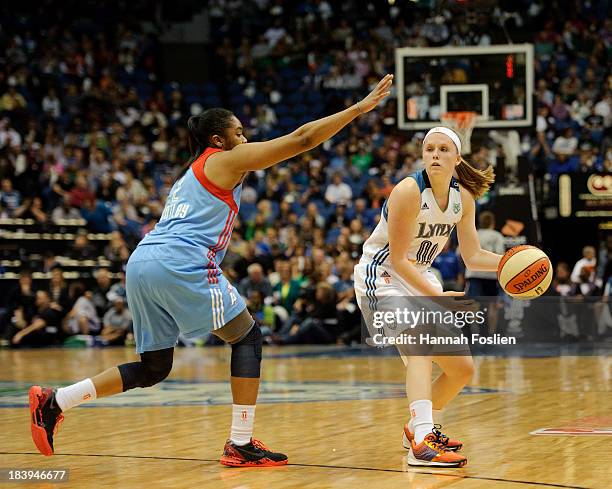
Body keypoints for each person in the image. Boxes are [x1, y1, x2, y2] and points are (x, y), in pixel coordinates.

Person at [28, 74, 393, 466]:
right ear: (218, 140)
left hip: (141, 262)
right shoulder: (223, 159)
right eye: (239, 132)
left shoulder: (189, 176)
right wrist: (358, 109)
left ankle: (56, 400)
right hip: (179, 261)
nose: (245, 138)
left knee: (153, 368)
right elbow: (302, 140)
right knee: (248, 338)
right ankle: (240, 442)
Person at [354, 126, 500, 467]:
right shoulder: (407, 191)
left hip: (417, 277)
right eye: (429, 149)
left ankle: (415, 428)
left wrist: (510, 262)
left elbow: (474, 255)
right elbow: (400, 260)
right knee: (419, 344)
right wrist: (435, 297)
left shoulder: (462, 197)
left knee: (462, 369)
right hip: (382, 276)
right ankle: (422, 440)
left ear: (457, 158)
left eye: (443, 150)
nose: (435, 154)